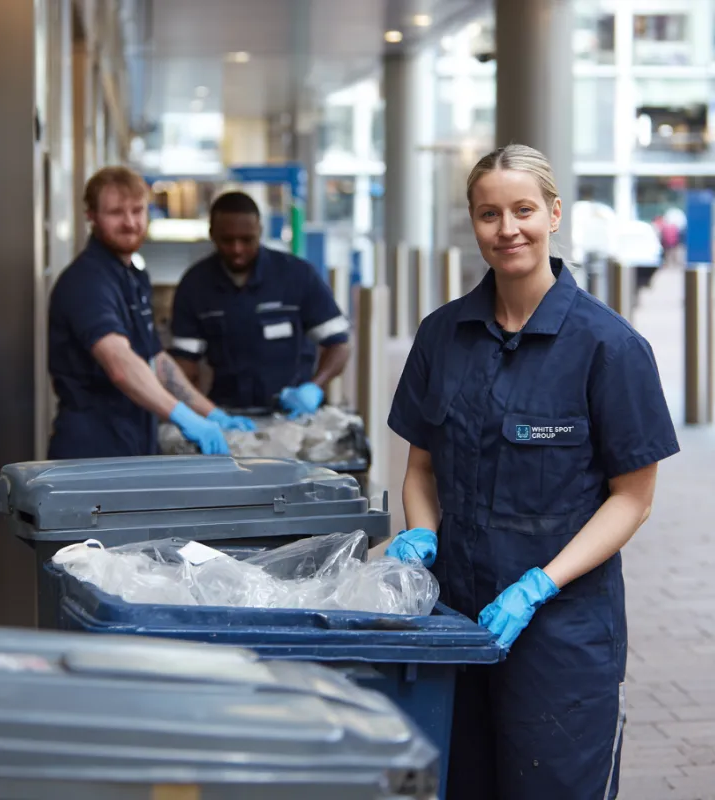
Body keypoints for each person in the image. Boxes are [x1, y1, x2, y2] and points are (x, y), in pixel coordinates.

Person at [385, 144, 679, 799]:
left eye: (523, 210)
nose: (507, 228)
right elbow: (420, 469)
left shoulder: (609, 347)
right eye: (489, 214)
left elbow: (633, 499)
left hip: (562, 636)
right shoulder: (441, 337)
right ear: (474, 222)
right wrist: (420, 533)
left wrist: (539, 585)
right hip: (452, 623)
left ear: (553, 215)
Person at [48, 167, 255, 460]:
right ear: (91, 215)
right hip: (92, 450)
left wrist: (212, 414)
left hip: (132, 439)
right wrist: (182, 416)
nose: (130, 222)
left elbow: (155, 360)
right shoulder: (87, 282)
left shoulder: (132, 276)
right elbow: (120, 364)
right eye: (116, 212)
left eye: (137, 210)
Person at [169, 191, 350, 417]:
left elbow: (339, 345)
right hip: (228, 414)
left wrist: (315, 386)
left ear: (260, 232)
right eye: (227, 240)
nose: (237, 249)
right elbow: (184, 365)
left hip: (293, 415)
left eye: (247, 239)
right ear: (212, 234)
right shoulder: (195, 285)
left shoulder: (297, 276)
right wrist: (196, 413)